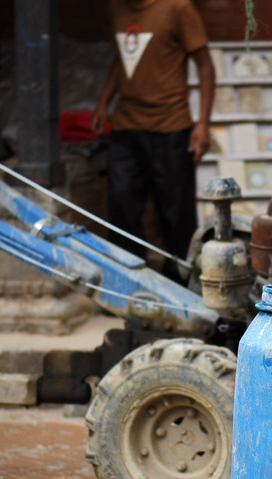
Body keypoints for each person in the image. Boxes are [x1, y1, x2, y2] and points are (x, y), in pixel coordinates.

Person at [91, 0, 215, 282]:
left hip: (171, 127)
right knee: (121, 203)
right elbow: (124, 57)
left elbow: (205, 66)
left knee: (175, 211)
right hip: (125, 126)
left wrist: (203, 124)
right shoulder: (117, 8)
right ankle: (130, 278)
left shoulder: (178, 8)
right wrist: (103, 102)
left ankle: (180, 282)